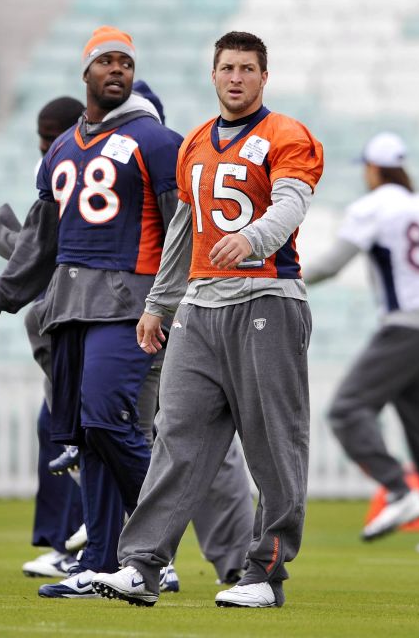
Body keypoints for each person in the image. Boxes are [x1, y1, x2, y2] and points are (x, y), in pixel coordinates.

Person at [90, 31, 324, 609]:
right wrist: (157, 304)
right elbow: (181, 231)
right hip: (199, 306)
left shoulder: (286, 134)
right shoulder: (194, 139)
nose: (236, 77)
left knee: (272, 443)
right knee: (176, 437)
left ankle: (264, 573)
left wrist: (251, 238)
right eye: (227, 68)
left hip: (266, 297)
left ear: (264, 77)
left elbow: (292, 203)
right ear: (213, 74)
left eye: (247, 68)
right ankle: (142, 566)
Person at [0, 27, 180, 599]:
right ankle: (103, 561)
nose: (117, 71)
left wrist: (170, 300)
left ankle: (160, 532)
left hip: (129, 305)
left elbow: (182, 229)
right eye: (105, 62)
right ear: (85, 73)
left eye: (125, 63)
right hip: (68, 309)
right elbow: (40, 243)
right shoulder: (60, 149)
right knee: (87, 437)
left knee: (107, 419)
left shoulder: (156, 142)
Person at [301, 131, 419, 553]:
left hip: (407, 325)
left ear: (372, 168)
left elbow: (332, 264)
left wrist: (288, 280)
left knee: (347, 411)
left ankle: (400, 490)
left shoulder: (372, 207)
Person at [0, 96, 88, 580]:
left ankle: (133, 550)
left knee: (89, 438)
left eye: (50, 137)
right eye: (40, 139)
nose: (44, 147)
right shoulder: (58, 178)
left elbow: (51, 254)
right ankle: (67, 544)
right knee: (58, 434)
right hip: (57, 331)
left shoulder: (82, 177)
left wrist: (7, 242)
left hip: (84, 328)